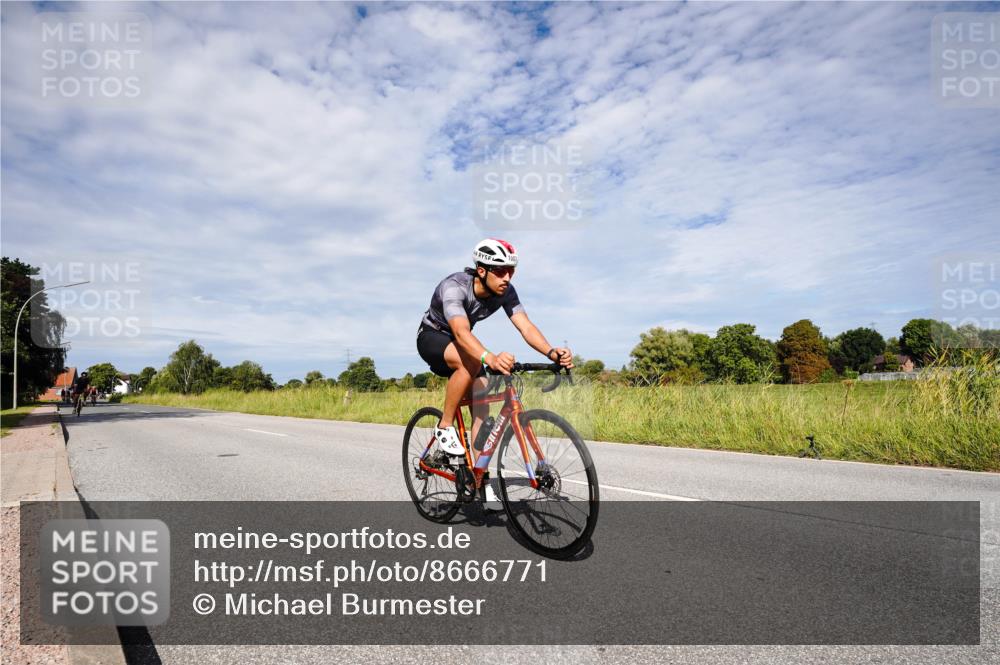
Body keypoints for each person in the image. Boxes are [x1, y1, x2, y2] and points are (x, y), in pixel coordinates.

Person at [416, 238, 573, 506]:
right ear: (481, 270)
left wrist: (550, 352)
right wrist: (489, 356)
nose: (507, 277)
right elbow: (460, 332)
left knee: (482, 407)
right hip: (433, 338)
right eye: (500, 271)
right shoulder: (454, 286)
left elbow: (525, 326)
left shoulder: (505, 292)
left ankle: (479, 479)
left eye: (511, 270)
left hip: (463, 345)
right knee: (473, 362)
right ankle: (444, 426)